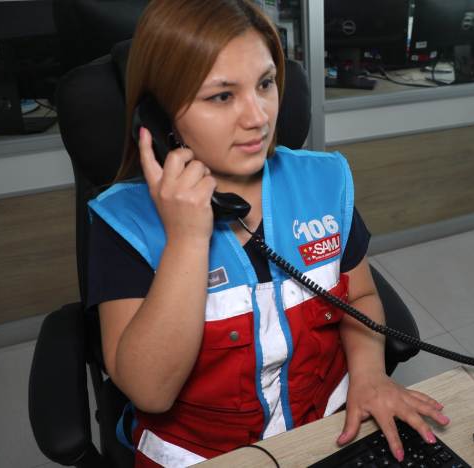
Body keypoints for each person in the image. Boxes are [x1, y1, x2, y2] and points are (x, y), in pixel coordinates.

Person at [85, 0, 449, 466]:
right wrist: (187, 240)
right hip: (201, 454)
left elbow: (359, 297)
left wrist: (369, 375)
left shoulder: (323, 181)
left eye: (265, 84)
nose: (258, 117)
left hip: (329, 427)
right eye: (222, 96)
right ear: (160, 117)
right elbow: (151, 391)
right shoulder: (124, 222)